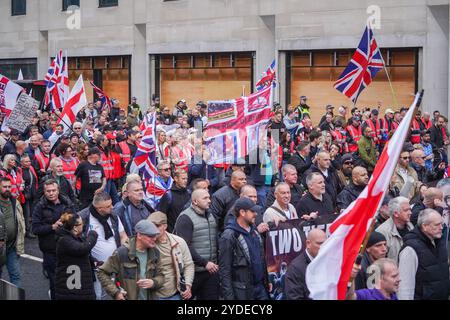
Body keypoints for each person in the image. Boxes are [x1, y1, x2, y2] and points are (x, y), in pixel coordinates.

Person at [98, 220, 164, 300]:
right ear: (139, 235)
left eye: (155, 236)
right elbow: (102, 272)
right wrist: (116, 293)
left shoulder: (155, 253)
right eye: (151, 236)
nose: (154, 239)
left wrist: (154, 282)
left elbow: (161, 276)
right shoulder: (122, 253)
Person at [78, 192, 128, 299]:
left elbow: (123, 236)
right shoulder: (83, 218)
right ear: (99, 208)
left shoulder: (114, 216)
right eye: (108, 206)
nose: (112, 207)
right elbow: (76, 241)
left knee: (114, 293)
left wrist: (124, 252)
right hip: (95, 267)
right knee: (97, 295)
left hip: (115, 265)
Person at [32, 179, 76, 299]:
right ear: (44, 192)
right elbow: (35, 229)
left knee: (70, 282)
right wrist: (52, 227)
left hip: (67, 248)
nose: (51, 193)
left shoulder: (67, 203)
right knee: (55, 281)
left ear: (58, 190)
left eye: (53, 190)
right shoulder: (39, 207)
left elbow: (76, 220)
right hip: (50, 250)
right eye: (48, 191)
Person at [219, 198, 270, 300]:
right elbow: (225, 270)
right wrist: (229, 297)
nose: (256, 214)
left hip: (260, 288)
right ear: (242, 212)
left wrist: (266, 281)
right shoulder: (229, 236)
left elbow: (261, 259)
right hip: (242, 292)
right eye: (252, 211)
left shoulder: (255, 232)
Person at [174, 189, 219, 300]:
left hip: (210, 271)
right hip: (192, 272)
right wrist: (204, 263)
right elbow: (185, 246)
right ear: (194, 201)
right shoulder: (185, 218)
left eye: (209, 197)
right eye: (205, 198)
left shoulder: (210, 215)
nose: (209, 201)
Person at [398, 209, 450, 300]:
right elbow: (405, 288)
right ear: (424, 226)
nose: (441, 227)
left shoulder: (439, 242)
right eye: (437, 225)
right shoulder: (410, 249)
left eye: (441, 224)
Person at [148, 211, 195, 300]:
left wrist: (188, 285)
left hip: (176, 294)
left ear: (165, 226)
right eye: (151, 226)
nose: (153, 229)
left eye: (157, 226)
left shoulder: (178, 242)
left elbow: (188, 264)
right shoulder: (147, 244)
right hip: (154, 295)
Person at [55, 212, 98, 300]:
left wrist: (93, 261)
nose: (83, 226)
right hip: (72, 289)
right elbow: (81, 249)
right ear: (75, 228)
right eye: (82, 224)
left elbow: (80, 255)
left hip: (78, 286)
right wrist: (92, 234)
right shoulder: (65, 240)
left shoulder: (75, 238)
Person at [285, 229, 327, 300]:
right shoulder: (295, 268)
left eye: (325, 243)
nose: (323, 247)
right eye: (319, 243)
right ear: (308, 243)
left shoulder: (328, 261)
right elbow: (294, 297)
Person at [0, 178, 25, 288]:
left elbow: (21, 221)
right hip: (0, 248)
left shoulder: (15, 202)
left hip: (11, 246)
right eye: (4, 187)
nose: (7, 189)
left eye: (9, 187)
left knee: (16, 276)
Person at [376, 197, 414, 262]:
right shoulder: (383, 232)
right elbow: (380, 261)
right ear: (396, 214)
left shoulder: (410, 226)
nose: (410, 213)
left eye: (410, 209)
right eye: (406, 210)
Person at [20, 154, 38, 238]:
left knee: (31, 213)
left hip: (32, 195)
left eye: (29, 161)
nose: (28, 163)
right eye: (26, 161)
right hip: (25, 196)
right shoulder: (20, 171)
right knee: (26, 214)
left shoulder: (30, 169)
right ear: (22, 162)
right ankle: (27, 231)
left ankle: (30, 230)